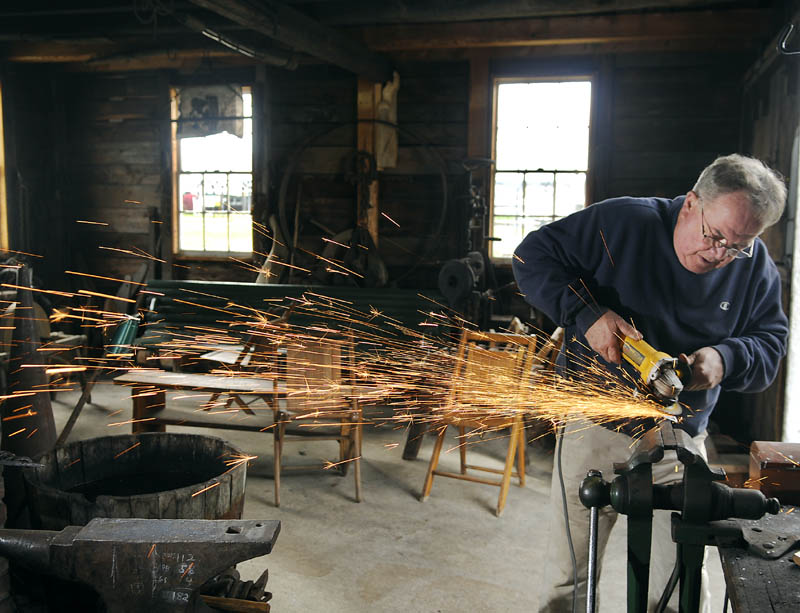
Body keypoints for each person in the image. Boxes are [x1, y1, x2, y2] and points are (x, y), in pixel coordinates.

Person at [512, 154, 788, 612]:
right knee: (569, 575)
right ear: (690, 204)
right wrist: (587, 315)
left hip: (680, 435)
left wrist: (723, 359)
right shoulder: (625, 221)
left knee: (683, 583)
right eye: (715, 236)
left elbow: (771, 347)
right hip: (595, 422)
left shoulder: (752, 263)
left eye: (738, 245)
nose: (722, 255)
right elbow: (531, 256)